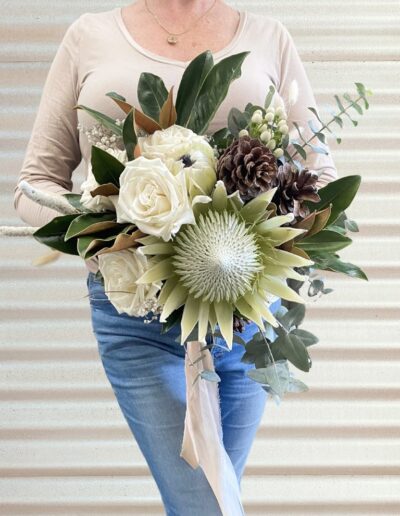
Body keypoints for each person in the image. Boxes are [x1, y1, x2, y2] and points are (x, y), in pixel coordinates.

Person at [13, 1, 338, 514]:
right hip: (137, 314)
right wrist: (105, 228)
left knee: (208, 502)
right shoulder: (89, 36)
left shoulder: (268, 35)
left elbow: (317, 176)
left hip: (246, 318)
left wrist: (281, 230)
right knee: (204, 504)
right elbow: (34, 186)